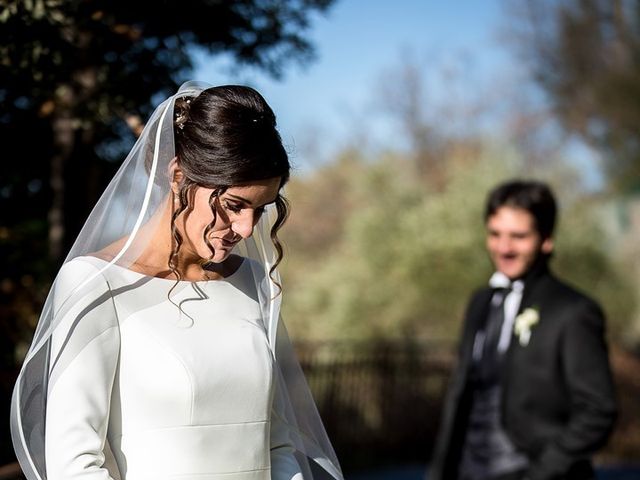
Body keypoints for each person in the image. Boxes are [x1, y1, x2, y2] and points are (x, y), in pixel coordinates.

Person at [10, 81, 343, 480]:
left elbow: (279, 442)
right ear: (178, 175)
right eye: (235, 205)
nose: (246, 227)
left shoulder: (253, 281)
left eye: (259, 210)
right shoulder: (95, 283)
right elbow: (73, 465)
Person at [429, 180, 617, 480]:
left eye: (518, 237)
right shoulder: (480, 301)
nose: (503, 248)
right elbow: (462, 394)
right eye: (495, 234)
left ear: (546, 240)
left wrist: (543, 472)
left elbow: (598, 410)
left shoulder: (573, 311)